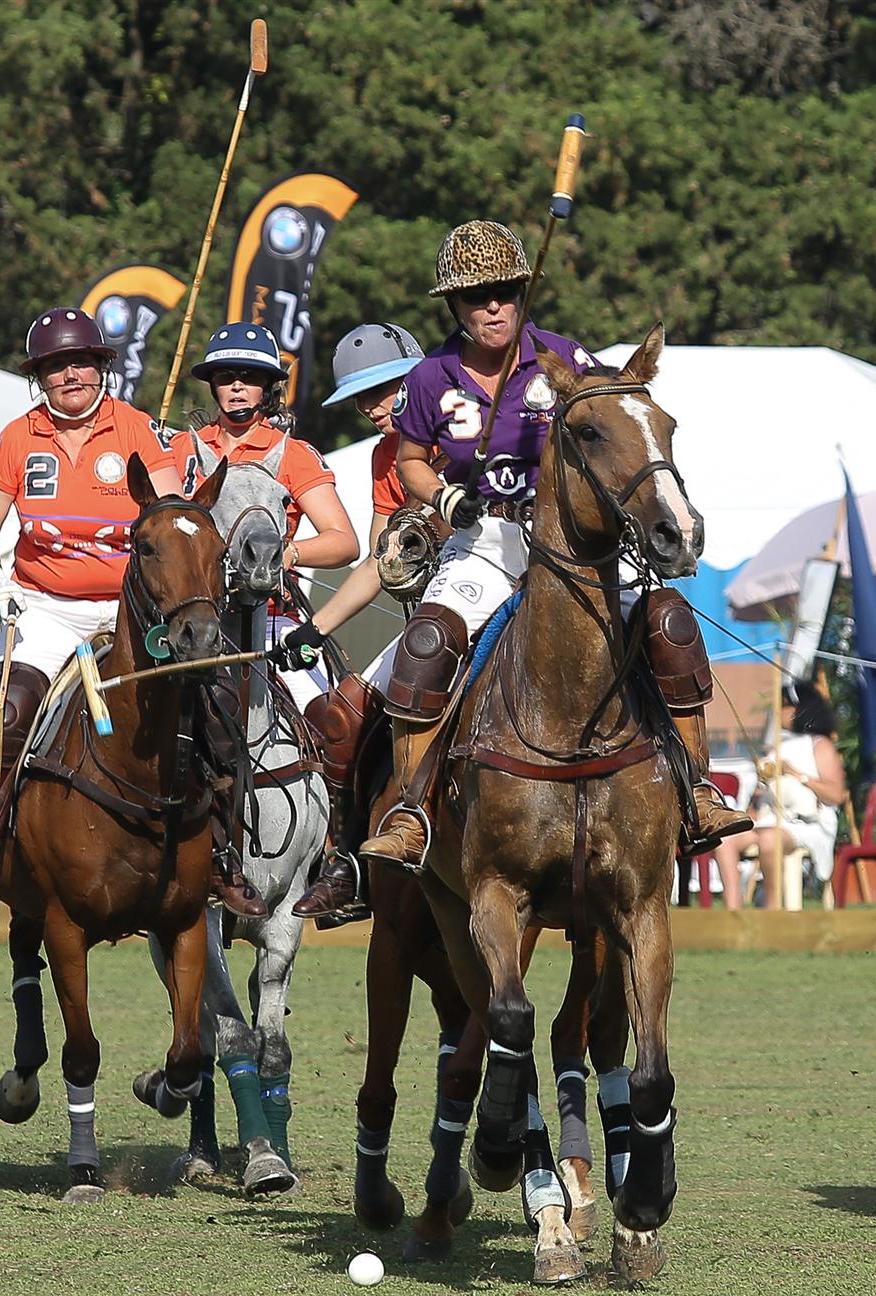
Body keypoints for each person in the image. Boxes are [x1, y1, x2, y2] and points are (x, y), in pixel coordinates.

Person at [350, 220, 749, 870]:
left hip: (567, 540)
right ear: (454, 305)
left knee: (670, 626)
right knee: (426, 645)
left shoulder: (561, 358)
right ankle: (411, 812)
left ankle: (697, 788)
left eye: (505, 293)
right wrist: (444, 497)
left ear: (522, 294)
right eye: (477, 297)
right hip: (482, 538)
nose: (493, 308)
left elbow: (616, 413)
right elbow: (414, 460)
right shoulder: (430, 378)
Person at [0, 306, 265, 915]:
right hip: (46, 607)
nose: (72, 376)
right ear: (41, 376)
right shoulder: (17, 437)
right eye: (57, 366)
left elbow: (173, 514)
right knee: (0, 710)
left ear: (102, 367)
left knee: (213, 705)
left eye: (83, 363)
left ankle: (222, 857)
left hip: (131, 610)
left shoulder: (137, 428)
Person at [278, 322, 438, 920]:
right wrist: (316, 629)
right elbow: (379, 557)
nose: (372, 407)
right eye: (361, 398)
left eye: (384, 390)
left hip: (507, 598)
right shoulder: (384, 456)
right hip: (431, 619)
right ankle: (347, 864)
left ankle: (690, 795)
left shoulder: (472, 428)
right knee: (343, 713)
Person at [176, 320, 359, 711]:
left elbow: (343, 541)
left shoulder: (293, 454)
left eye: (250, 377)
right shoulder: (179, 450)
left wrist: (286, 554)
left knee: (328, 720)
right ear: (213, 385)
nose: (237, 386)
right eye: (226, 377)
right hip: (194, 619)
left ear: (268, 387)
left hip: (273, 620)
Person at [713, 683, 846, 910]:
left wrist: (797, 775)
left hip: (805, 824)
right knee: (724, 840)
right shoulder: (776, 746)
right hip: (769, 820)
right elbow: (761, 797)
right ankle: (732, 910)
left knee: (769, 839)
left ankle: (772, 908)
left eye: (783, 705)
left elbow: (836, 795)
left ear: (799, 708)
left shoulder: (819, 746)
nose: (779, 711)